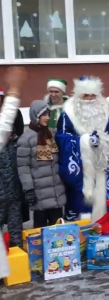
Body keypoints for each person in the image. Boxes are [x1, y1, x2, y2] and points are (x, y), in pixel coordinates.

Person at [55, 76, 109, 222]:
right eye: (86, 96)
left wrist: (107, 141)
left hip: (104, 168)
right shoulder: (69, 114)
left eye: (93, 96)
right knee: (82, 207)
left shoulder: (104, 112)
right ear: (79, 96)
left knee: (107, 205)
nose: (90, 99)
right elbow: (62, 137)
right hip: (82, 172)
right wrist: (85, 142)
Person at [17, 100, 66, 228]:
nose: (47, 118)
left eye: (48, 114)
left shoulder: (52, 134)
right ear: (35, 115)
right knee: (40, 233)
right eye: (44, 115)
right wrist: (28, 189)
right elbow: (23, 167)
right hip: (39, 195)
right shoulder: (26, 139)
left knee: (59, 233)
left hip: (56, 193)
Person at [0, 67, 27, 280]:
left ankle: (18, 262)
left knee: (16, 231)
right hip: (0, 197)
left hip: (13, 195)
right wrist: (14, 90)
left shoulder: (14, 144)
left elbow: (11, 119)